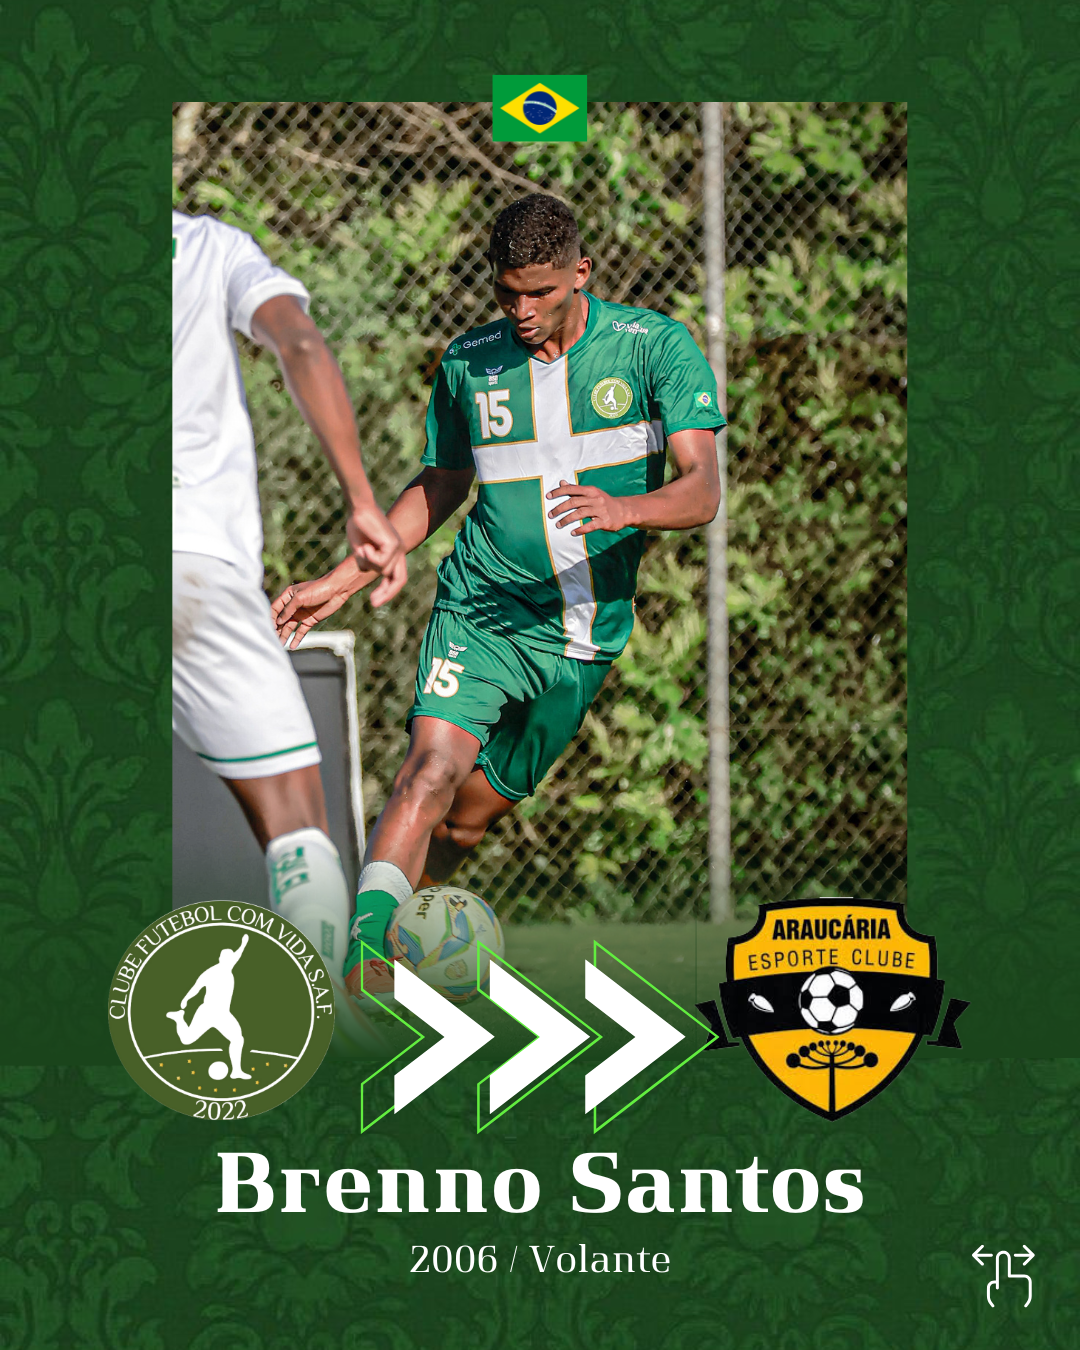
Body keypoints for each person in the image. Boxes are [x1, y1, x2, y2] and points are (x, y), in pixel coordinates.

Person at [271, 193, 723, 1000]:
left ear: (581, 273)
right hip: (479, 608)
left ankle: (399, 915)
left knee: (468, 819)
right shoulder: (469, 361)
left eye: (540, 292)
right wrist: (342, 580)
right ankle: (362, 957)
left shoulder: (655, 348)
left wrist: (625, 509)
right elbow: (441, 484)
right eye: (507, 293)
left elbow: (701, 489)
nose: (522, 311)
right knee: (428, 771)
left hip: (581, 633)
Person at [172, 210, 405, 1044]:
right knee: (297, 815)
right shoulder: (209, 247)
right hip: (188, 556)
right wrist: (362, 500)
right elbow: (300, 344)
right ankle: (324, 1034)